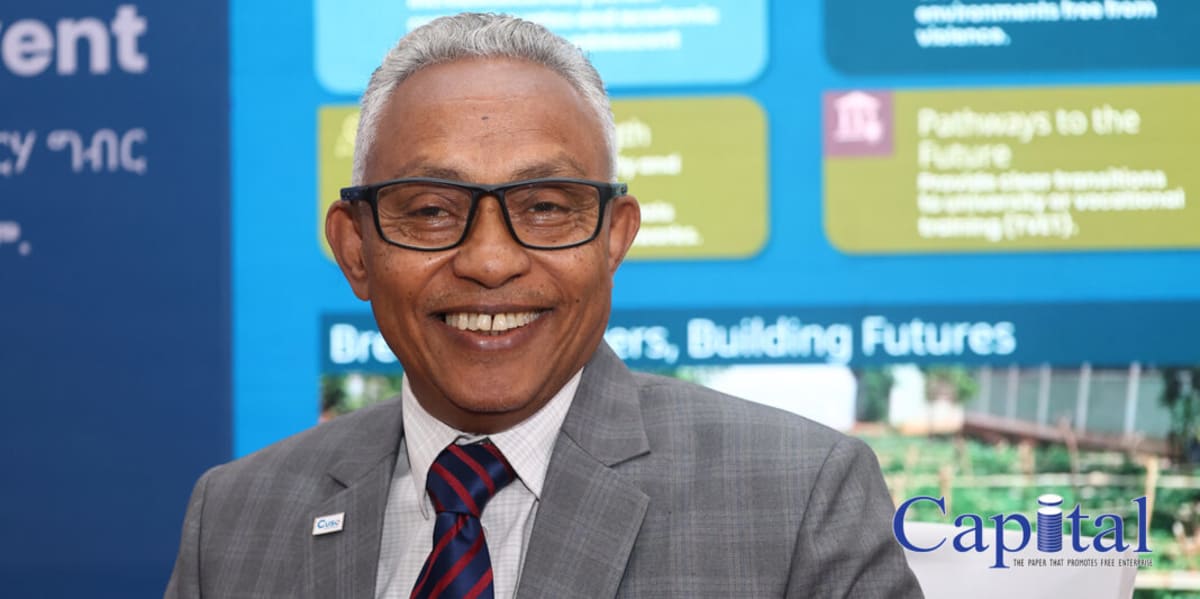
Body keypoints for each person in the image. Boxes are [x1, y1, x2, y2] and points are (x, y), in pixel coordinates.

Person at [165, 12, 923, 599]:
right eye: (430, 210)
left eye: (547, 206)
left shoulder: (798, 497)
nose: (490, 260)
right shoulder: (232, 519)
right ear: (356, 250)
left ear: (615, 239)